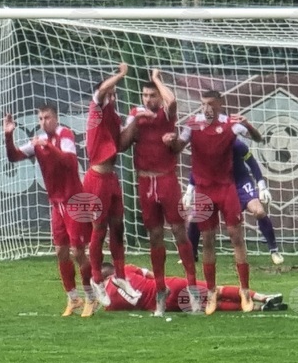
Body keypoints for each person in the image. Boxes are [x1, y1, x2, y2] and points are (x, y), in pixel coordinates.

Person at [4, 107, 99, 317]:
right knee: (61, 251)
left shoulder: (65, 135)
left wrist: (47, 146)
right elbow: (13, 157)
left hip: (74, 202)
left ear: (55, 119)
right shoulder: (39, 142)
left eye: (47, 117)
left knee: (78, 252)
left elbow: (70, 162)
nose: (43, 121)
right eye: (40, 118)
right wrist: (8, 135)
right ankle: (73, 298)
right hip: (57, 204)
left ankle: (91, 296)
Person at [178, 89, 263, 315]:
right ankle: (211, 291)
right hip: (204, 192)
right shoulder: (192, 124)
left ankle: (245, 290)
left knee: (236, 237)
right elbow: (178, 146)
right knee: (207, 240)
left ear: (220, 104)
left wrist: (248, 124)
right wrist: (169, 141)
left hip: (226, 189)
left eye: (210, 104)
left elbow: (258, 139)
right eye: (203, 104)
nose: (206, 108)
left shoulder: (231, 124)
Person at [120, 69, 198, 315]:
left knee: (178, 231)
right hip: (145, 182)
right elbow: (121, 145)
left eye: (152, 95)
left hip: (167, 180)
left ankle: (193, 287)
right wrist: (134, 122)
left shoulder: (166, 114)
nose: (148, 99)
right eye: (144, 95)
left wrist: (156, 78)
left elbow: (172, 101)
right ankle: (161, 291)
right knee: (155, 236)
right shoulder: (136, 114)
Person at [82, 63, 138, 309]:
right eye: (110, 94)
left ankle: (121, 276)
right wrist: (121, 74)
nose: (113, 98)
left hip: (111, 179)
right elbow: (102, 91)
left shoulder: (113, 117)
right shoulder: (96, 109)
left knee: (118, 228)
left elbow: (122, 144)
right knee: (99, 230)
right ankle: (96, 279)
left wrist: (137, 118)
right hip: (96, 179)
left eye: (115, 95)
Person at [186, 139, 283, 266]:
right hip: (217, 185)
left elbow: (252, 162)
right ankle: (191, 254)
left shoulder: (237, 145)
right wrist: (189, 191)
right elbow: (197, 168)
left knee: (259, 211)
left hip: (241, 182)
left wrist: (262, 187)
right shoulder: (206, 145)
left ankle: (274, 250)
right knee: (195, 217)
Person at [100, 263, 284, 313]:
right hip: (170, 285)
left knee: (211, 306)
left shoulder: (109, 302)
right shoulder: (126, 269)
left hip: (163, 305)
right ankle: (263, 297)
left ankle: (260, 308)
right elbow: (151, 275)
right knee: (215, 291)